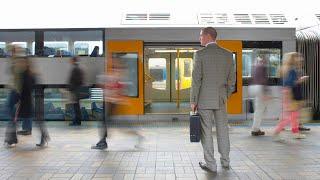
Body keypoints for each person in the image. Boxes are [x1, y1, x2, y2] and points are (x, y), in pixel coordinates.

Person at [190, 27, 235, 172]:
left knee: (206, 131)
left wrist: (193, 101)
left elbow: (196, 80)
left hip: (204, 100)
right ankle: (226, 161)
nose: (199, 38)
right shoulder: (228, 55)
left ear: (208, 36)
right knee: (223, 130)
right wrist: (225, 95)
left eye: (201, 36)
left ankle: (211, 164)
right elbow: (231, 81)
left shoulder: (200, 54)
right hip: (221, 99)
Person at [273, 52, 308, 140]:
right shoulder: (291, 69)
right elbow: (289, 84)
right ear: (292, 59)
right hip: (290, 94)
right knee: (289, 117)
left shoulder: (288, 68)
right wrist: (300, 80)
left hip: (289, 93)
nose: (300, 59)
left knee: (294, 115)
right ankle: (276, 132)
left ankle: (295, 133)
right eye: (297, 57)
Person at [249, 57, 270, 136]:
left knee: (258, 109)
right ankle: (255, 129)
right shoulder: (263, 67)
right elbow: (263, 80)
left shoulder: (256, 66)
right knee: (260, 110)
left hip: (253, 87)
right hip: (259, 88)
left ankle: (255, 128)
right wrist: (265, 93)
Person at [68, 57, 84, 126]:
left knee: (76, 106)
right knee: (76, 106)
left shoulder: (75, 69)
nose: (70, 62)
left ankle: (77, 121)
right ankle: (77, 120)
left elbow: (74, 80)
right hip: (77, 89)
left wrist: (70, 88)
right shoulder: (78, 68)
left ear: (73, 61)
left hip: (75, 90)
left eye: (71, 60)